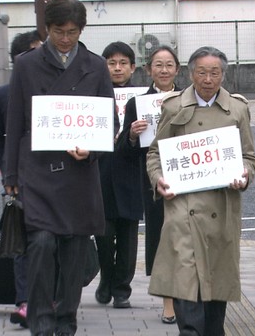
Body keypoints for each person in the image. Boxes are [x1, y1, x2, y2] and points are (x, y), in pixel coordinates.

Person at [3, 0, 118, 335]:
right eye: (58, 32)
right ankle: (39, 320)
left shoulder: (95, 66)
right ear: (46, 29)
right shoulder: (26, 65)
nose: (65, 39)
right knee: (39, 244)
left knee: (74, 249)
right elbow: (15, 124)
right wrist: (10, 176)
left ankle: (66, 318)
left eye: (72, 32)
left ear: (81, 30)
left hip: (79, 175)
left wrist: (91, 151)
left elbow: (108, 122)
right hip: (36, 172)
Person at [146, 46, 255, 335]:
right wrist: (158, 178)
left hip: (221, 209)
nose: (208, 79)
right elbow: (156, 153)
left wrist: (244, 175)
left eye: (215, 73)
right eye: (201, 72)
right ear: (190, 73)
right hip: (182, 209)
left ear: (223, 74)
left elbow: (250, 157)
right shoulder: (173, 106)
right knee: (185, 280)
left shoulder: (237, 108)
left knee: (215, 291)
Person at [116, 45, 181, 324]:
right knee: (160, 238)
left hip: (187, 176)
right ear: (148, 70)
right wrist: (131, 135)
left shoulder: (190, 99)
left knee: (187, 238)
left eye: (169, 65)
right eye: (158, 65)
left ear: (177, 69)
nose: (163, 70)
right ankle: (168, 300)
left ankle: (188, 295)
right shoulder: (137, 104)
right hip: (154, 180)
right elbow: (125, 151)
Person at [0, 29, 42, 329]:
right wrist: (8, 173)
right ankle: (24, 301)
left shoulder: (54, 89)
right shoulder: (2, 94)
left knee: (49, 240)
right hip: (19, 179)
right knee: (21, 240)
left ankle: (49, 298)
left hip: (53, 177)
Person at [94, 41, 142, 309]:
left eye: (123, 63)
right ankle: (106, 277)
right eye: (111, 63)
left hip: (130, 171)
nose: (117, 68)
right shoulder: (94, 95)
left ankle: (122, 289)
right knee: (102, 232)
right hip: (100, 170)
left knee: (128, 234)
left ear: (133, 67)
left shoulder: (143, 98)